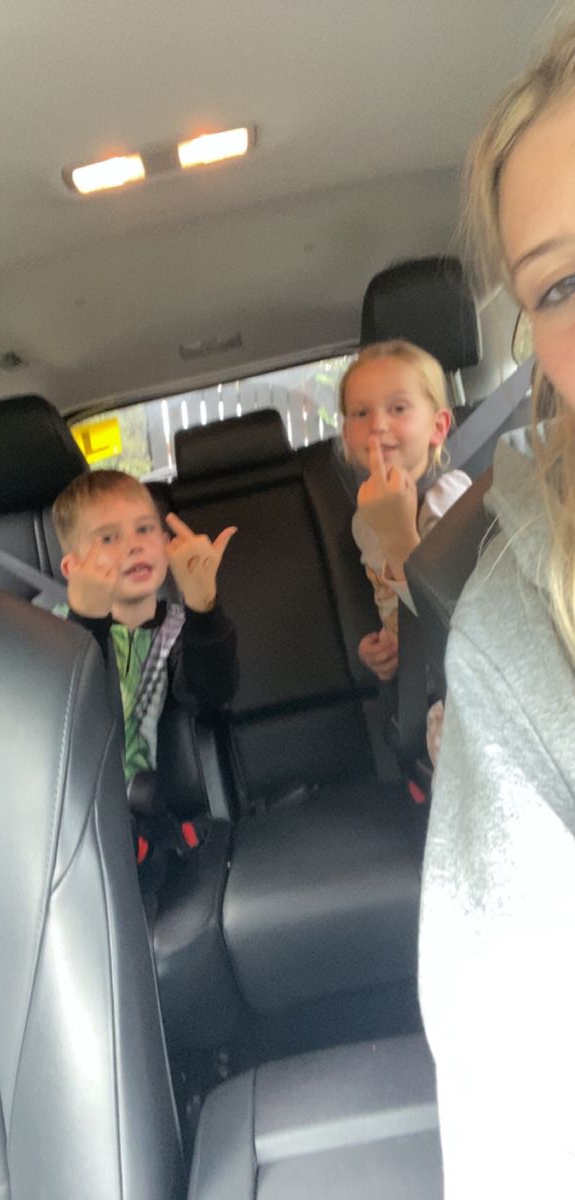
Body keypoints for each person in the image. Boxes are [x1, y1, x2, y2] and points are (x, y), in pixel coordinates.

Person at [418, 22, 575, 1199]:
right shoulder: (519, 628)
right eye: (563, 283)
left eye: (402, 415)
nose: (379, 438)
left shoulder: (459, 496)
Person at [52, 470, 238, 789]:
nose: (134, 546)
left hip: (163, 805)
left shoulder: (181, 628)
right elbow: (63, 718)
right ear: (73, 568)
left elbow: (215, 694)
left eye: (144, 529)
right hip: (81, 803)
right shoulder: (55, 629)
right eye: (108, 538)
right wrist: (87, 619)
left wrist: (202, 604)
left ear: (167, 544)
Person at [340, 339, 471, 688]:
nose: (378, 424)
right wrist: (388, 649)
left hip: (465, 686)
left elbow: (462, 623)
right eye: (361, 413)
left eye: (398, 408)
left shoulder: (454, 500)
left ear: (438, 427)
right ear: (346, 435)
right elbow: (396, 608)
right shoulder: (362, 521)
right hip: (421, 678)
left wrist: (399, 536)